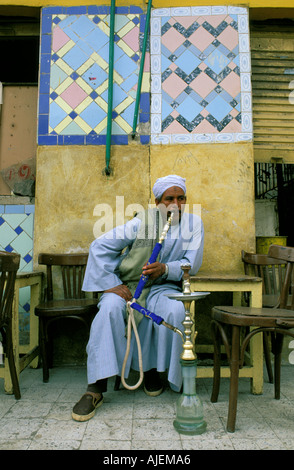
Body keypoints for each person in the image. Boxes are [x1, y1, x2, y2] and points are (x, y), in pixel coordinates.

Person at [72, 175, 204, 422]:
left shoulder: (193, 224)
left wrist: (165, 269)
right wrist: (112, 285)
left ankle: (154, 372)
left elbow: (191, 263)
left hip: (165, 285)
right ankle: (95, 388)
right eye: (169, 199)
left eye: (181, 198)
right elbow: (100, 246)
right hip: (132, 286)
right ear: (157, 202)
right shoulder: (145, 224)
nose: (175, 204)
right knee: (109, 310)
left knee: (174, 312)